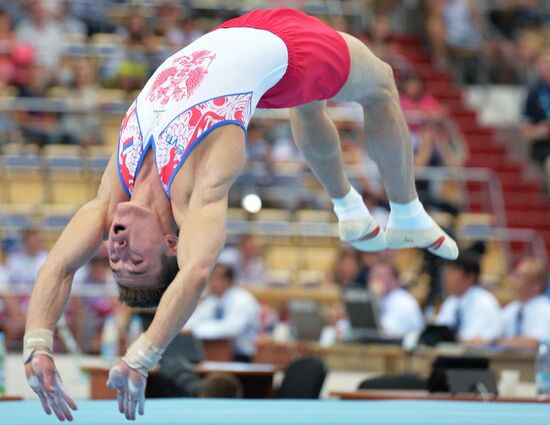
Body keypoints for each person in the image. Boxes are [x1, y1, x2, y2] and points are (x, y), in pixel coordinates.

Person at [22, 8, 459, 421]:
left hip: (230, 35)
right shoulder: (197, 189)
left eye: (116, 261)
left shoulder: (114, 191)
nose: (116, 251)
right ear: (173, 241)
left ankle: (349, 209)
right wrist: (142, 356)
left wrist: (36, 345)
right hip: (285, 49)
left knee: (308, 100)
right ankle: (407, 212)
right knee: (379, 82)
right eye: (135, 261)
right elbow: (194, 275)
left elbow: (60, 266)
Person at [184, 263, 260, 362]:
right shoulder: (213, 300)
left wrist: (194, 330)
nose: (212, 283)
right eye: (211, 279)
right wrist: (188, 328)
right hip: (216, 352)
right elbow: (195, 320)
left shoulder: (242, 299)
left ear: (228, 280)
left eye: (217, 279)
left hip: (242, 356)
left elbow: (231, 330)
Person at [435, 250, 501, 343]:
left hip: (474, 356)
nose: (446, 276)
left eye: (452, 270)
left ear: (470, 277)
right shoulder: (451, 302)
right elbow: (439, 333)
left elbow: (474, 342)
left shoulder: (484, 303)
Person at [499, 257, 550, 348]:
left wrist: (501, 342)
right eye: (515, 274)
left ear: (536, 285)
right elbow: (491, 338)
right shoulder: (512, 309)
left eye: (521, 276)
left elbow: (535, 342)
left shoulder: (546, 310)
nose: (514, 279)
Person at [368, 260, 424, 337]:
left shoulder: (401, 301)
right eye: (373, 276)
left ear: (394, 280)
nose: (374, 281)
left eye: (380, 276)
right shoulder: (382, 299)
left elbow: (387, 333)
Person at [522, 50, 550, 193]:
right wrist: (542, 130)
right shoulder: (533, 94)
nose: (547, 67)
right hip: (544, 145)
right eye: (544, 63)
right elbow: (526, 132)